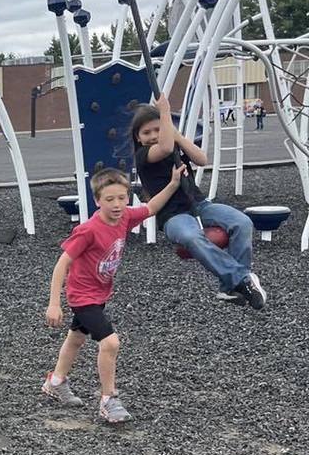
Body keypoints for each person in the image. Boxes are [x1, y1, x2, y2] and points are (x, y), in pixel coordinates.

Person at [43, 165, 183, 424]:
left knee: (76, 338)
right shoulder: (88, 230)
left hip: (100, 292)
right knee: (110, 343)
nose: (117, 204)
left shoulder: (126, 217)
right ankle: (108, 400)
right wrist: (54, 303)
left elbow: (151, 208)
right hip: (82, 296)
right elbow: (62, 264)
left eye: (122, 197)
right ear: (97, 200)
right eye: (109, 199)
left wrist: (173, 183)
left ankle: (56, 381)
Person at [131, 94, 265, 309]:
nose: (153, 135)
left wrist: (177, 136)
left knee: (242, 223)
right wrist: (164, 111)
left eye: (158, 129)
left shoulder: (172, 144)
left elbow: (202, 159)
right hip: (172, 216)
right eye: (146, 132)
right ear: (138, 138)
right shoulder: (143, 155)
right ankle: (242, 279)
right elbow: (163, 148)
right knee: (191, 236)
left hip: (199, 205)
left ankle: (229, 287)